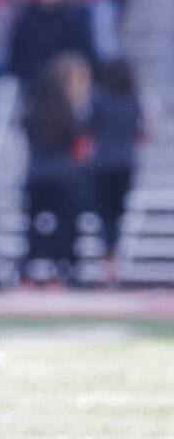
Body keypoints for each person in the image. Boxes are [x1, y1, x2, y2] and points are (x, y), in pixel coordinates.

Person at [21, 52, 92, 286]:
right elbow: (79, 143)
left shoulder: (34, 107)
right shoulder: (70, 109)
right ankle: (66, 266)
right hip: (64, 175)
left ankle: (33, 265)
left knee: (36, 224)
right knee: (67, 224)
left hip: (36, 173)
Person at [90, 58, 142, 286]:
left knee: (105, 215)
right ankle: (113, 263)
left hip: (102, 164)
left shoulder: (99, 99)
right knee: (117, 216)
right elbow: (140, 132)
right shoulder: (133, 100)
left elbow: (89, 127)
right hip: (125, 164)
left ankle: (107, 261)